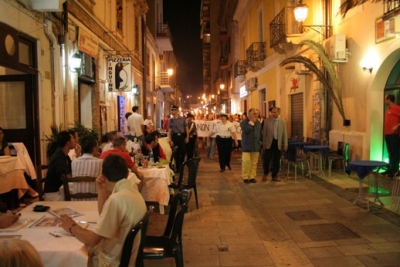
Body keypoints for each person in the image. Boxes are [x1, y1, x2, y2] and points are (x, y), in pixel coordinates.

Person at [59, 154, 147, 267]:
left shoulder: (116, 199)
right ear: (126, 173)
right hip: (128, 257)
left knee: (73, 258)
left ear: (104, 176)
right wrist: (101, 188)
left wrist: (71, 226)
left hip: (112, 262)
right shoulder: (133, 191)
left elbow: (92, 240)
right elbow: (103, 215)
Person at [43, 131, 75, 201]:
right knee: (78, 195)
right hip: (53, 194)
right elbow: (66, 177)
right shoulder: (58, 158)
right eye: (72, 139)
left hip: (61, 190)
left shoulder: (65, 156)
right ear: (68, 143)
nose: (74, 140)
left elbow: (73, 171)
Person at [71, 135, 103, 200]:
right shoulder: (101, 162)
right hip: (95, 201)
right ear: (94, 149)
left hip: (76, 201)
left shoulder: (74, 162)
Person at [262, 107, 288, 182]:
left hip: (278, 142)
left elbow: (284, 134)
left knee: (277, 159)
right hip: (269, 142)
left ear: (279, 113)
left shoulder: (282, 122)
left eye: (275, 112)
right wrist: (264, 143)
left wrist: (285, 144)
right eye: (272, 112)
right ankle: (265, 173)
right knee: (267, 159)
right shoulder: (267, 121)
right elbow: (264, 133)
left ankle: (274, 175)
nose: (273, 114)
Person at [240, 108, 262, 183]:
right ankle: (245, 177)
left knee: (254, 163)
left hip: (256, 146)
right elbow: (246, 130)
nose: (256, 115)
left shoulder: (258, 123)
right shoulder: (244, 122)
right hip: (247, 146)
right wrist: (251, 122)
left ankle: (252, 176)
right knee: (246, 162)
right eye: (254, 113)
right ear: (249, 114)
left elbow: (260, 133)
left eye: (257, 114)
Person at [168, 104, 189, 172]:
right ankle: (178, 168)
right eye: (172, 110)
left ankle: (182, 164)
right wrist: (170, 140)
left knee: (183, 151)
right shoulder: (170, 120)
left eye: (173, 110)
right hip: (175, 137)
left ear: (177, 110)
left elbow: (186, 128)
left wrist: (187, 137)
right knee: (176, 153)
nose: (172, 111)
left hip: (182, 137)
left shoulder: (183, 119)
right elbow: (169, 131)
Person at [384, 94, 400, 178]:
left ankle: (394, 170)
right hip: (387, 134)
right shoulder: (388, 109)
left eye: (385, 99)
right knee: (390, 152)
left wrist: (397, 126)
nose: (384, 101)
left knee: (395, 152)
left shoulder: (397, 108)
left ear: (389, 100)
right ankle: (389, 168)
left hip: (394, 135)